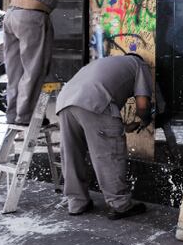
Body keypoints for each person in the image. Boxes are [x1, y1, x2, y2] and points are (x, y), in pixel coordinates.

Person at [4, 0, 100, 125]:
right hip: (31, 17)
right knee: (34, 69)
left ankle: (12, 114)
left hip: (11, 16)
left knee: (14, 70)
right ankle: (25, 116)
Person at [56, 53, 153, 219]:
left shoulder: (106, 62)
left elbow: (96, 121)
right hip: (93, 102)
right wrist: (145, 119)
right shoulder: (139, 65)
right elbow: (142, 104)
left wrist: (122, 126)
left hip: (65, 101)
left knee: (71, 154)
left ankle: (76, 202)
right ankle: (120, 204)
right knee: (109, 154)